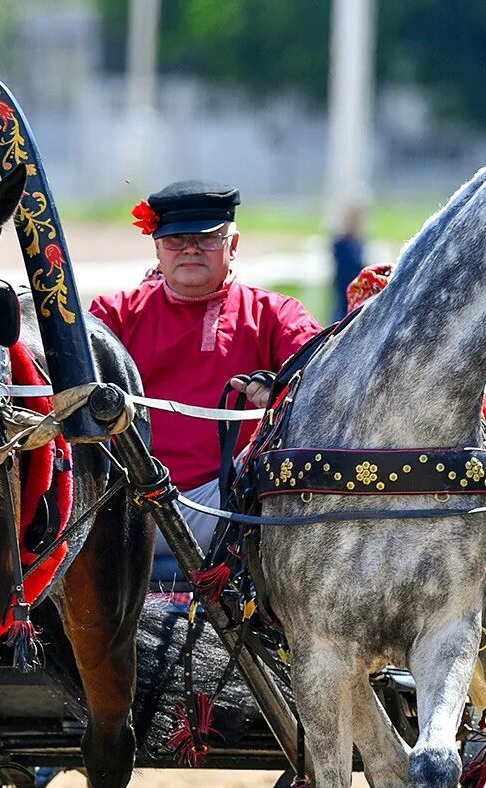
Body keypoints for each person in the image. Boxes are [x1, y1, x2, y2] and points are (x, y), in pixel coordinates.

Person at [88, 180, 322, 568]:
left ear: (233, 245)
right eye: (177, 240)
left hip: (233, 504)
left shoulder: (276, 315)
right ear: (158, 249)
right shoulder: (114, 314)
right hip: (127, 501)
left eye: (207, 239)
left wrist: (282, 397)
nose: (191, 249)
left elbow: (323, 388)